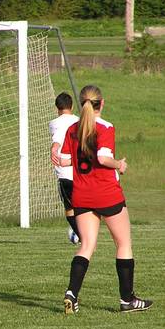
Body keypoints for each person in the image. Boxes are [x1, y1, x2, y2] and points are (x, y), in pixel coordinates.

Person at [59, 85, 152, 314]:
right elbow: (103, 157)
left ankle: (72, 293)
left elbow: (63, 161)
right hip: (106, 193)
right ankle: (127, 300)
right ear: (102, 103)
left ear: (82, 104)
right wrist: (119, 164)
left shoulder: (73, 128)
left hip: (81, 195)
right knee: (123, 244)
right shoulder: (105, 127)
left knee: (87, 245)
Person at [49, 92, 80, 244]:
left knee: (69, 209)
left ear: (57, 108)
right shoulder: (80, 121)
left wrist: (54, 148)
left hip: (65, 173)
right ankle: (84, 235)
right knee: (83, 208)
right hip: (81, 172)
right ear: (72, 106)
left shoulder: (54, 123)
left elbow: (58, 138)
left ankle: (81, 236)